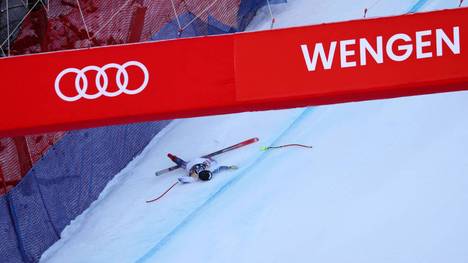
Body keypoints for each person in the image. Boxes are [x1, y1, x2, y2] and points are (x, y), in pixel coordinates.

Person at [167, 153, 237, 183]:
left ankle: (173, 158)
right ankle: (173, 158)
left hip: (198, 162)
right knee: (183, 164)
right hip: (191, 165)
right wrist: (228, 167)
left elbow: (220, 168)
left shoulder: (195, 177)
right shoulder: (194, 178)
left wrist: (229, 167)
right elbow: (181, 180)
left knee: (211, 163)